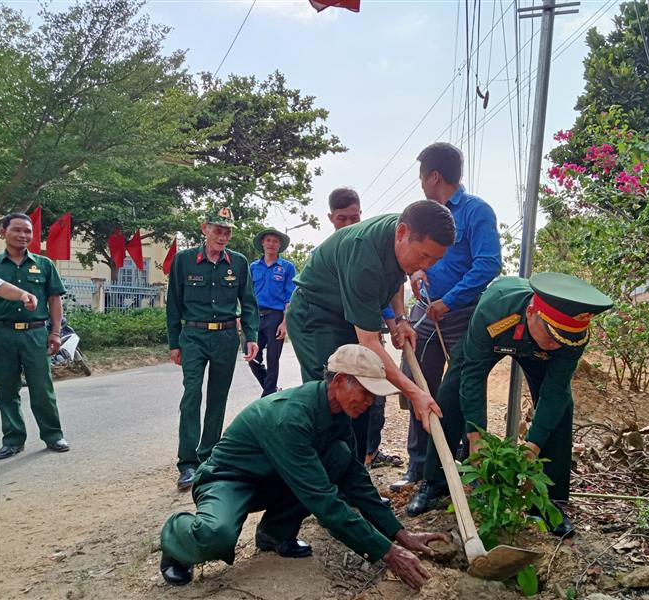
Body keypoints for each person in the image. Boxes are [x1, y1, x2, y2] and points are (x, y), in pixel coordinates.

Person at [159, 344, 449, 590]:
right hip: (229, 480)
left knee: (339, 456)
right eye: (365, 391)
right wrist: (386, 553)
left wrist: (399, 534)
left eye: (374, 395)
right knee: (216, 536)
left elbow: (355, 478)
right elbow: (323, 501)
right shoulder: (291, 418)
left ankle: (275, 533)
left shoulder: (338, 412)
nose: (370, 402)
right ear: (339, 381)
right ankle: (176, 540)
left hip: (273, 476)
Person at [406, 273, 613, 538]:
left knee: (561, 408)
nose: (556, 345)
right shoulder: (495, 310)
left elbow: (554, 392)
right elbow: (473, 375)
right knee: (451, 391)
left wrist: (532, 447)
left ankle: (549, 503)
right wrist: (476, 437)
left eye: (561, 341)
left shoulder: (571, 335)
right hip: (493, 338)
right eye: (551, 337)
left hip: (536, 356)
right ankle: (435, 482)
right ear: (530, 312)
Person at [286, 200, 455, 441]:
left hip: (348, 313)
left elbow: (397, 275)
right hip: (317, 316)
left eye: (434, 260)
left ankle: (356, 467)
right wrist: (415, 392)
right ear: (402, 233)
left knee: (365, 388)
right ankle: (321, 470)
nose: (425, 266)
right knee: (334, 395)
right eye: (424, 256)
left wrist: (400, 319)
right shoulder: (364, 256)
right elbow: (369, 343)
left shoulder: (411, 226)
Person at [390, 142, 501, 492]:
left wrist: (449, 301)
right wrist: (416, 276)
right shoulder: (422, 214)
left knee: (464, 389)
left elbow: (488, 264)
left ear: (434, 176)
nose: (421, 184)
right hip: (425, 310)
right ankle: (420, 466)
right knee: (419, 384)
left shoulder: (476, 211)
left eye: (422, 177)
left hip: (463, 314)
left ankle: (467, 464)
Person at [166, 208, 259, 491]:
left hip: (226, 337)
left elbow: (249, 302)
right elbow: (173, 304)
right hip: (193, 335)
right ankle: (187, 463)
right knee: (192, 394)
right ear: (205, 229)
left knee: (218, 398)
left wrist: (251, 336)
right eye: (218, 230)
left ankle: (207, 458)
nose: (223, 236)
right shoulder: (184, 261)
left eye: (228, 231)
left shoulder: (239, 263)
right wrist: (174, 343)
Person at [326, 187, 402, 468]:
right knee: (341, 396)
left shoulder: (372, 248)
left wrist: (397, 322)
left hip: (365, 328)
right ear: (331, 218)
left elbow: (385, 290)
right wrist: (409, 389)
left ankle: (366, 458)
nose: (349, 225)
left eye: (354, 218)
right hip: (333, 327)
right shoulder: (339, 252)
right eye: (342, 219)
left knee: (373, 398)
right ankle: (338, 469)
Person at [0, 213, 69, 460]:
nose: (23, 235)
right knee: (6, 389)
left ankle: (53, 435)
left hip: (36, 333)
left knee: (42, 388)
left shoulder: (44, 264)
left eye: (28, 231)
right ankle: (13, 439)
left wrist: (56, 332)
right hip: (1, 334)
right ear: (4, 232)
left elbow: (55, 300)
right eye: (17, 230)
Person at [248, 226, 296, 396]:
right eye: (268, 240)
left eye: (275, 241)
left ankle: (267, 395)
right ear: (262, 243)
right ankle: (271, 389)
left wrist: (285, 323)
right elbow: (246, 295)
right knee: (252, 357)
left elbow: (290, 297)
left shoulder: (287, 268)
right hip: (255, 317)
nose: (271, 244)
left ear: (279, 245)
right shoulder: (253, 267)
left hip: (276, 317)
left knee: (273, 359)